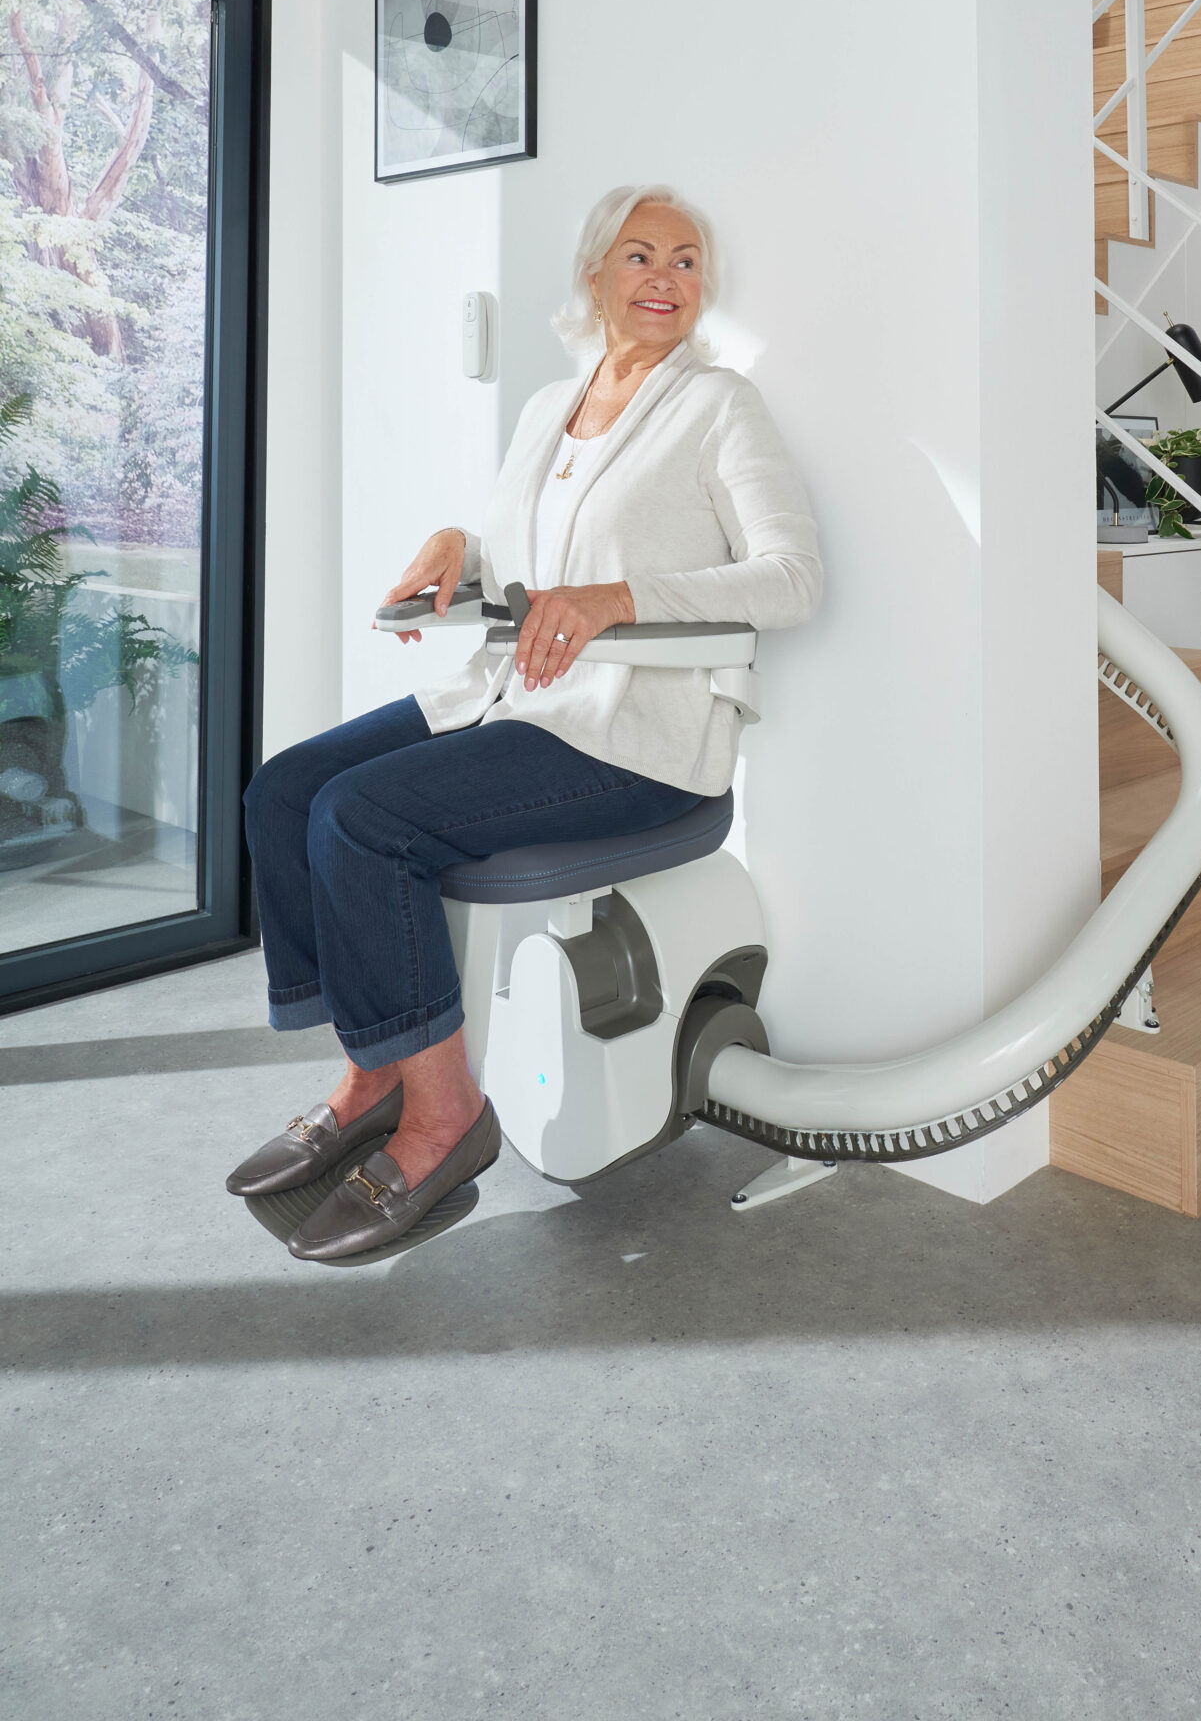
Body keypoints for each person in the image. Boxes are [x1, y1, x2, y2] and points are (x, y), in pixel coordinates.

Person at [228, 186, 821, 1262]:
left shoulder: (718, 404)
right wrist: (460, 542)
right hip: (509, 699)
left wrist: (621, 597)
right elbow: (522, 565)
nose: (664, 277)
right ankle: (373, 1074)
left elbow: (793, 576)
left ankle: (444, 1116)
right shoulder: (551, 405)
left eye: (687, 262)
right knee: (282, 792)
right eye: (640, 255)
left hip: (633, 736)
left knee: (362, 819)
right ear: (594, 276)